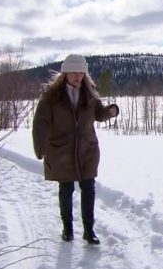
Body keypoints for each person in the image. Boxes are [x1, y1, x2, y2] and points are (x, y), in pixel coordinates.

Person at [32, 54, 119, 245]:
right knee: (66, 188)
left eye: (81, 73)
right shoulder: (51, 96)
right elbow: (41, 123)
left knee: (88, 188)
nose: (78, 76)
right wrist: (40, 147)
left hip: (87, 149)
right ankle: (68, 229)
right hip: (61, 150)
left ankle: (89, 231)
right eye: (74, 72)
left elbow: (98, 113)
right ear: (65, 73)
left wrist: (110, 111)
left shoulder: (89, 93)